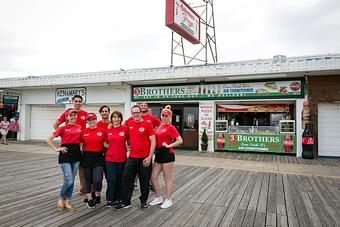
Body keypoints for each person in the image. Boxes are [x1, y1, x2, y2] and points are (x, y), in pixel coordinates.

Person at [117, 105, 156, 209]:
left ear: (141, 112)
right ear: (132, 114)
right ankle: (126, 201)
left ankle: (143, 201)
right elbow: (119, 128)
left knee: (144, 181)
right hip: (132, 157)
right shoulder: (129, 124)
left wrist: (149, 157)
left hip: (145, 158)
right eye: (133, 113)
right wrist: (111, 126)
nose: (135, 114)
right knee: (126, 179)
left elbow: (153, 141)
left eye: (137, 112)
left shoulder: (147, 124)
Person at [46, 109, 82, 212]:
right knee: (69, 180)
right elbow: (48, 139)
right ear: (66, 117)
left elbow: (81, 141)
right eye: (71, 115)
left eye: (75, 115)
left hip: (76, 155)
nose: (73, 117)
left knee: (71, 180)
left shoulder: (79, 127)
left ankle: (68, 201)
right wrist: (56, 149)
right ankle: (61, 198)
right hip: (65, 156)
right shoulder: (62, 128)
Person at [53, 95, 88, 195]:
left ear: (82, 102)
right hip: (69, 146)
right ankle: (66, 187)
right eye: (76, 101)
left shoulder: (85, 114)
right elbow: (55, 125)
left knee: (81, 166)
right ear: (72, 101)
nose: (77, 103)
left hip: (81, 145)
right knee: (68, 169)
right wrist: (64, 135)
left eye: (79, 101)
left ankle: (82, 187)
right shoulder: (67, 113)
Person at [149, 105, 183, 209]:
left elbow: (180, 140)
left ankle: (168, 199)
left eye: (166, 115)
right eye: (162, 115)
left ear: (169, 117)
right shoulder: (159, 126)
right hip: (158, 154)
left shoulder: (171, 127)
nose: (164, 117)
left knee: (167, 178)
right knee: (153, 177)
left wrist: (169, 145)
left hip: (167, 154)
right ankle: (158, 197)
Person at [80, 113, 106, 208]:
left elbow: (105, 144)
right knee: (87, 179)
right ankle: (90, 199)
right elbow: (78, 144)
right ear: (87, 121)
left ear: (96, 119)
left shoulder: (102, 131)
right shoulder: (83, 132)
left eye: (93, 119)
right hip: (86, 158)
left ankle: (98, 195)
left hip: (98, 157)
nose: (91, 121)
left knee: (97, 180)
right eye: (89, 120)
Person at [104, 111, 129, 208]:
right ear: (111, 119)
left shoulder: (125, 129)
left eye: (118, 117)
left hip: (122, 158)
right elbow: (104, 143)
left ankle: (118, 198)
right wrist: (109, 146)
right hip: (110, 159)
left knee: (119, 180)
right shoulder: (108, 130)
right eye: (114, 117)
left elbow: (131, 140)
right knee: (111, 180)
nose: (116, 119)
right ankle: (110, 198)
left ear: (121, 119)